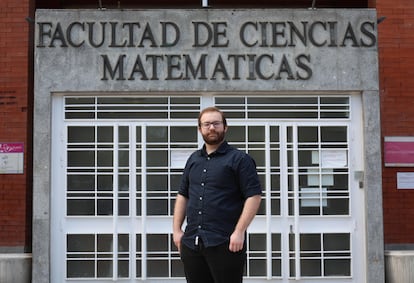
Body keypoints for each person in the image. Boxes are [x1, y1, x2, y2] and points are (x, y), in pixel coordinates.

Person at [173, 106, 262, 283]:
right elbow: (183, 195)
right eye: (206, 124)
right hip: (192, 242)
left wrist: (239, 232)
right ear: (200, 129)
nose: (211, 128)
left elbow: (254, 196)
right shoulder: (193, 160)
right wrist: (176, 230)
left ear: (225, 127)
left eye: (216, 123)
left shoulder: (240, 159)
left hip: (226, 242)